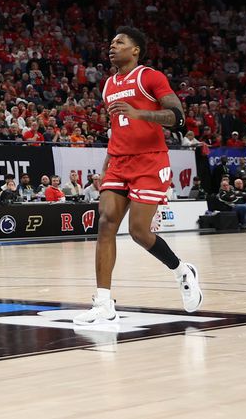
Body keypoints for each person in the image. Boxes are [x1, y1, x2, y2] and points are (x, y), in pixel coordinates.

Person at [75, 28, 202, 326]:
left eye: (119, 42)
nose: (112, 46)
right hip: (118, 161)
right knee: (105, 224)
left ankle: (182, 270)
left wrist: (141, 114)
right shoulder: (108, 85)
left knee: (138, 232)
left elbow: (178, 118)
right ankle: (103, 303)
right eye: (111, 42)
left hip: (149, 160)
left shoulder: (150, 77)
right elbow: (118, 129)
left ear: (135, 50)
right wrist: (106, 165)